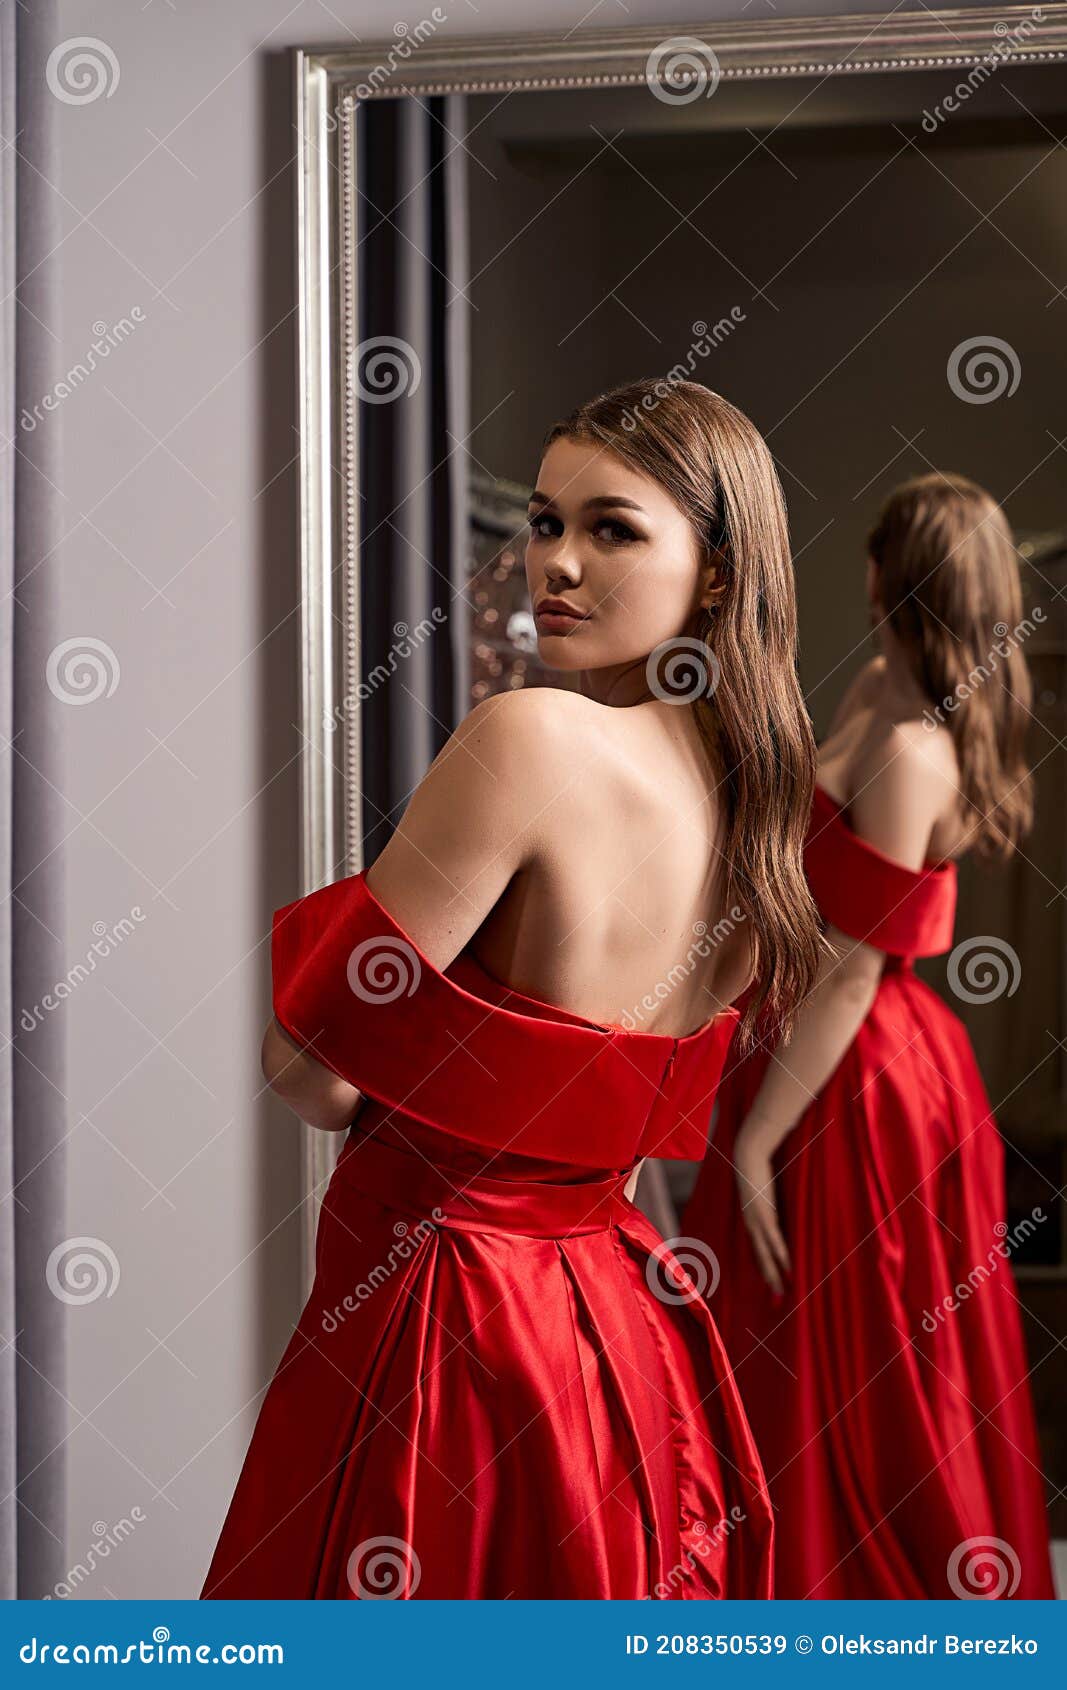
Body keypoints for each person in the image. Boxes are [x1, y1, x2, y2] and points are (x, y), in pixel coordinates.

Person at [200, 378, 823, 1600]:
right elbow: (618, 1125)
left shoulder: (529, 740)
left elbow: (312, 1077)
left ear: (715, 570)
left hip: (448, 1317)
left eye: (612, 527)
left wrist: (338, 934)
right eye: (543, 521)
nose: (558, 563)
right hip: (619, 1325)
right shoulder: (762, 807)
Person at [683, 471, 1056, 1600]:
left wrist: (754, 1144)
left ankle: (847, 1608)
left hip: (855, 1076)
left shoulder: (909, 744)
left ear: (889, 580)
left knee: (856, 1356)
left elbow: (850, 969)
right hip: (827, 1050)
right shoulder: (884, 697)